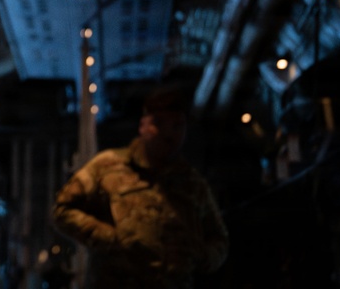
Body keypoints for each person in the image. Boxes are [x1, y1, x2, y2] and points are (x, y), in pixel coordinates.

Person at [51, 86, 228, 289]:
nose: (169, 135)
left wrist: (203, 256)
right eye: (159, 124)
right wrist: (112, 239)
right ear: (142, 126)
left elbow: (219, 239)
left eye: (177, 126)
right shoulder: (108, 166)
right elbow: (62, 210)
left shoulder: (192, 183)